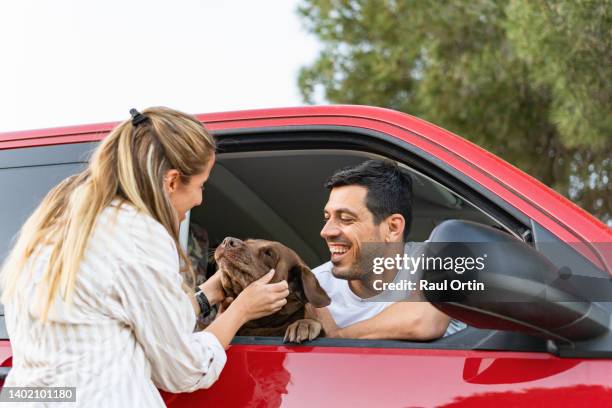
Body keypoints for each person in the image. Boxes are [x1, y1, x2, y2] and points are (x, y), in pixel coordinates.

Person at [0, 107, 289, 407]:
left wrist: (210, 293)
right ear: (172, 181)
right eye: (202, 185)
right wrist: (240, 310)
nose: (200, 199)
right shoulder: (137, 232)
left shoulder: (55, 222)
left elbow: (130, 316)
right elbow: (184, 370)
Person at [310, 160, 465, 340]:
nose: (326, 231)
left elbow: (424, 319)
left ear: (392, 228)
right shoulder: (313, 286)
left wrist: (336, 337)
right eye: (327, 218)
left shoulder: (441, 258)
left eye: (345, 218)